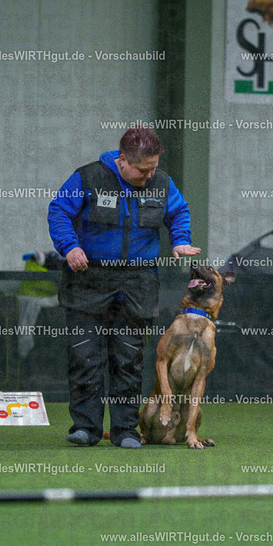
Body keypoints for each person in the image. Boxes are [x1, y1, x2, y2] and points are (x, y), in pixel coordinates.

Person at [48, 127, 200, 448]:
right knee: (85, 357)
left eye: (154, 168)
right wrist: (70, 247)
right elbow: (59, 211)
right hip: (88, 278)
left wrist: (180, 239)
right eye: (143, 169)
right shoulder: (88, 177)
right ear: (122, 160)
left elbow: (179, 212)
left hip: (138, 282)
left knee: (128, 359)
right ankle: (86, 428)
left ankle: (125, 430)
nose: (150, 175)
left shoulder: (162, 183)